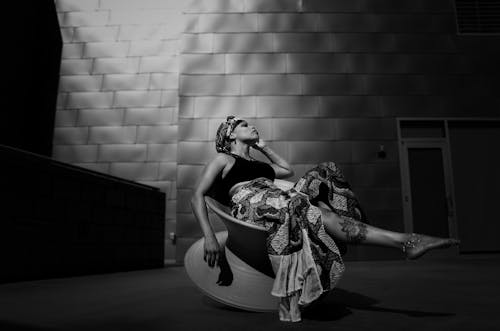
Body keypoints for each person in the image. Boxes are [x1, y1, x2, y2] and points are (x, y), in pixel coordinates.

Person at [190, 115, 460, 322]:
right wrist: (209, 237)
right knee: (300, 204)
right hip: (250, 203)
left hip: (280, 199)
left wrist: (264, 147)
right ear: (230, 135)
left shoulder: (261, 165)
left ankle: (406, 242)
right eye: (244, 125)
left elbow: (286, 170)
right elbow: (197, 196)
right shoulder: (224, 159)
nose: (252, 126)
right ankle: (401, 241)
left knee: (325, 171)